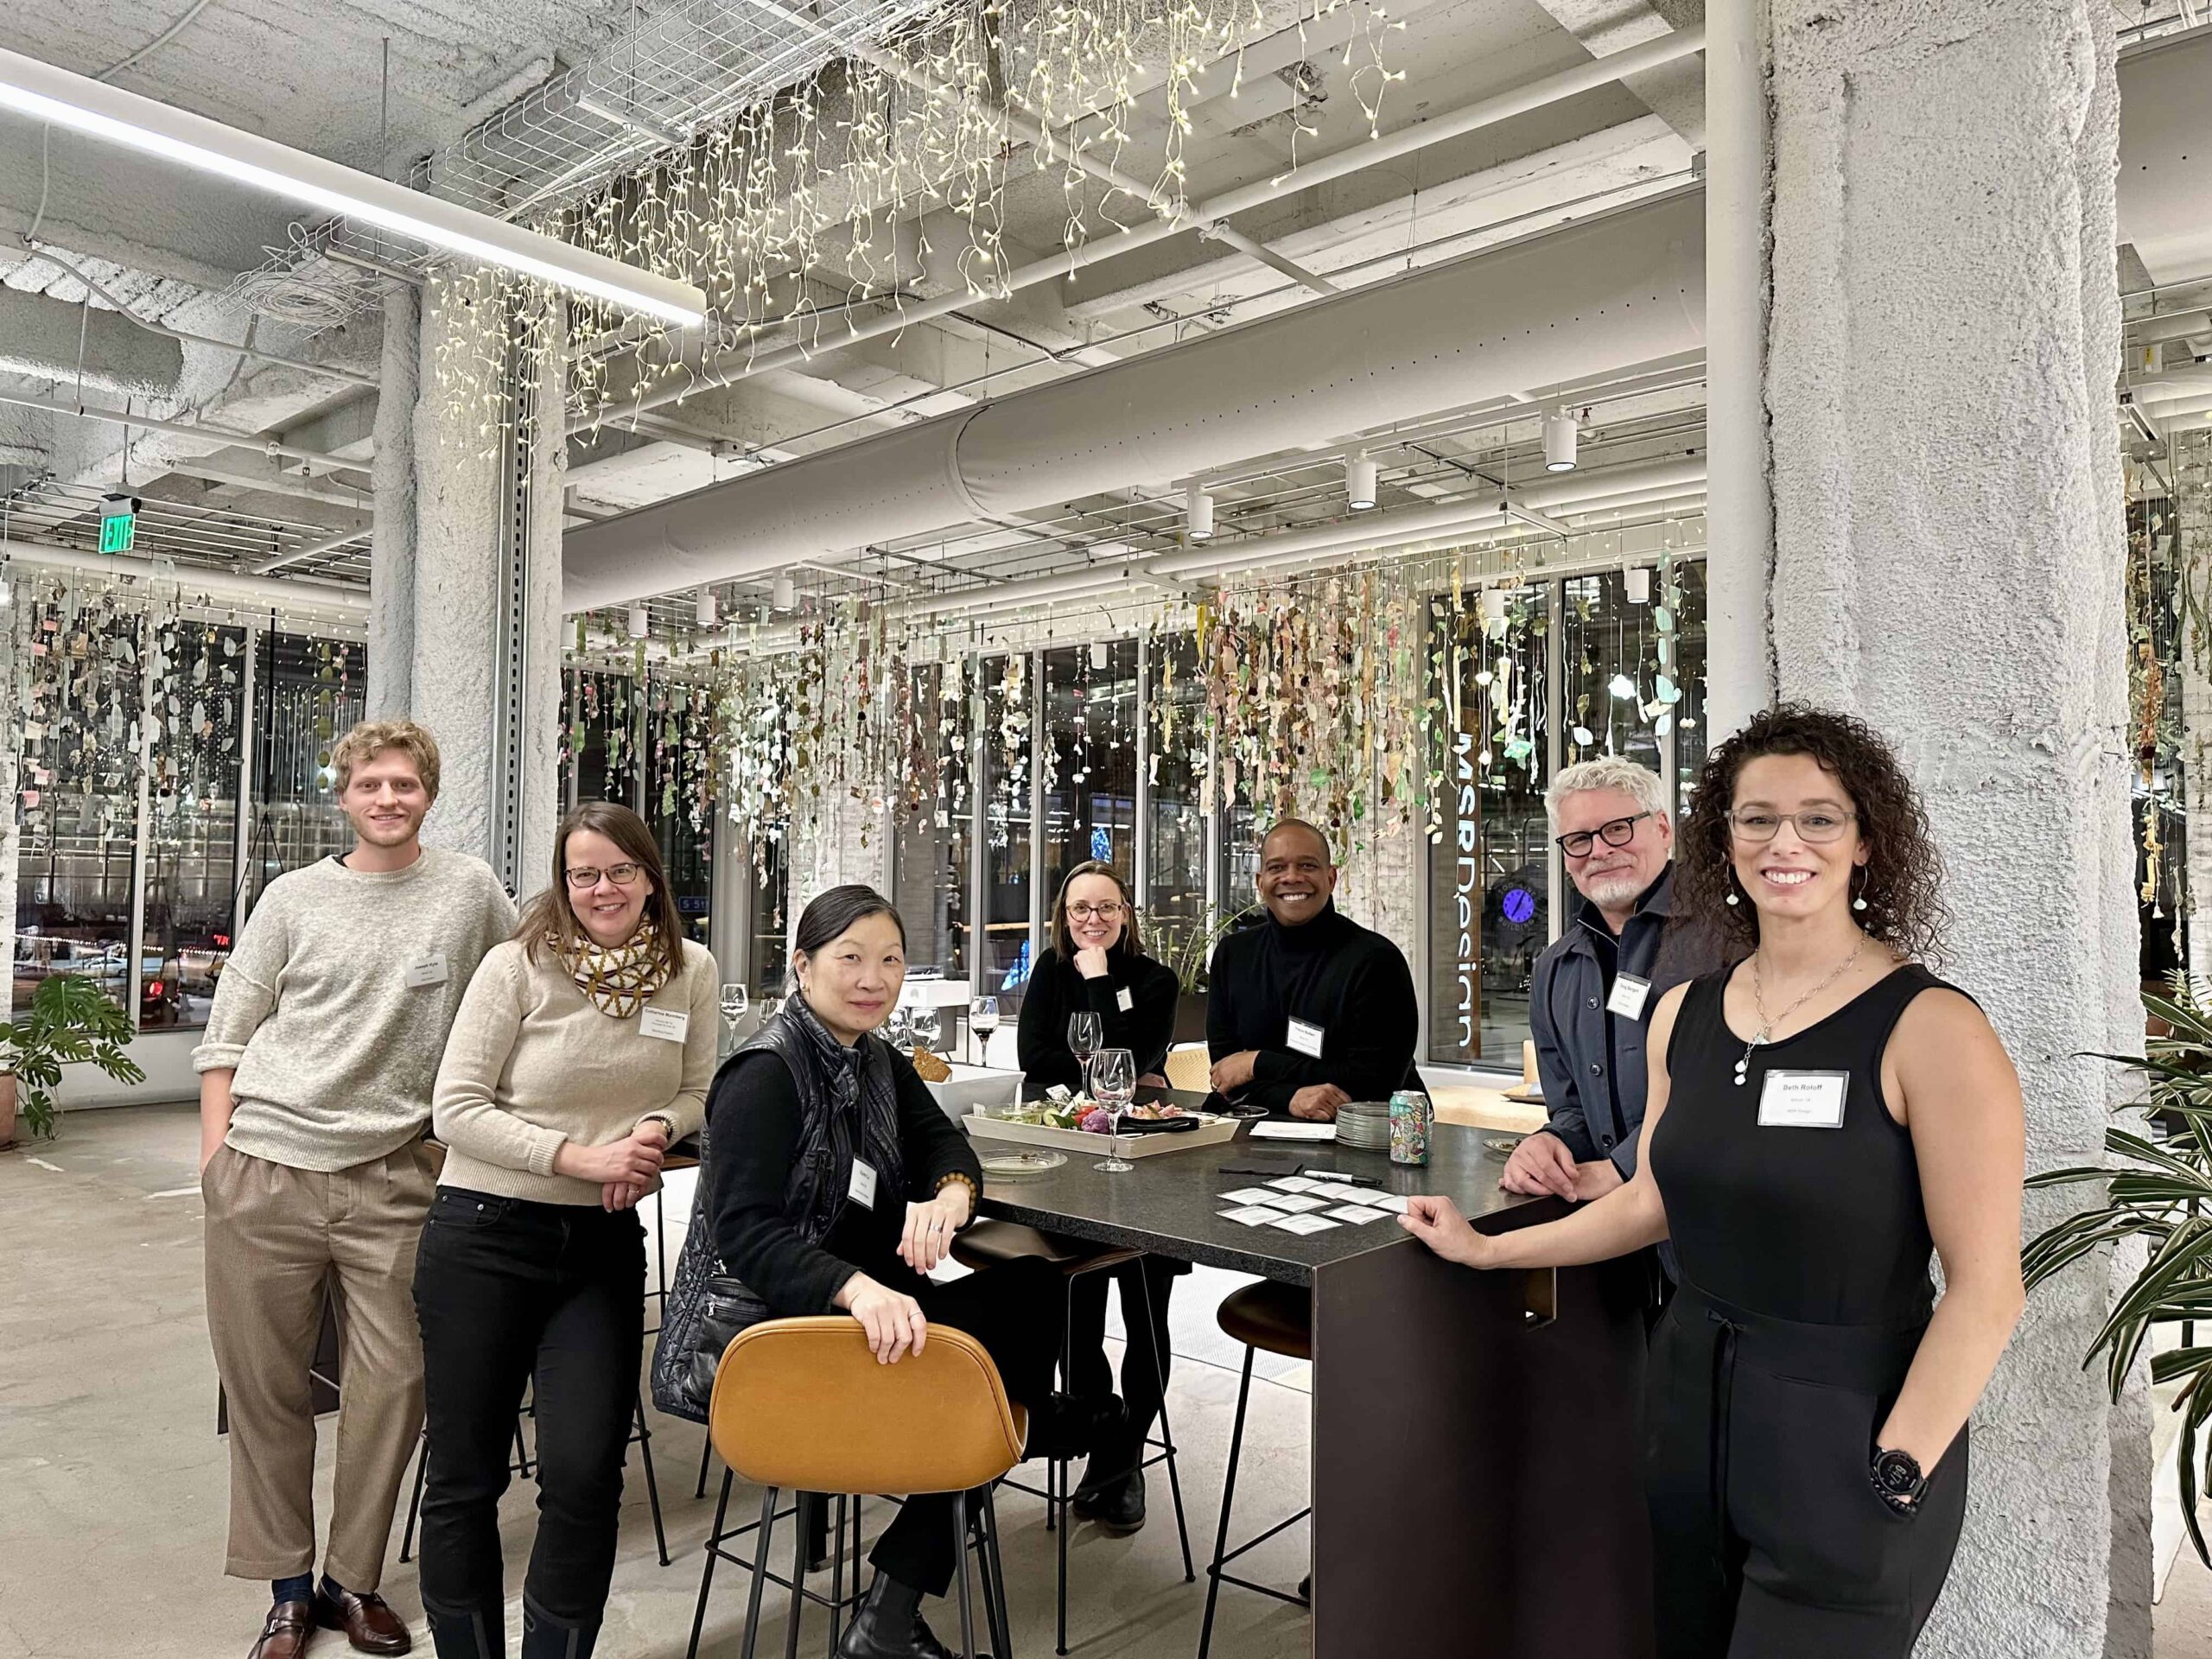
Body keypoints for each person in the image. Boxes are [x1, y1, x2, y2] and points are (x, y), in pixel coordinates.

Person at [1400, 704, 2027, 1657]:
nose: (1786, 842)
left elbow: (1986, 1290)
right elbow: (1651, 1201)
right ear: (1720, 839)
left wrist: (1896, 1472)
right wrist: (1487, 1250)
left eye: (1819, 818)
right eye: (1756, 818)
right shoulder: (1684, 1014)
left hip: (1844, 1434)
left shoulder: (1931, 1028)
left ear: (1865, 843)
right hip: (1686, 1411)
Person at [194, 720, 517, 1659]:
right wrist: (218, 1169)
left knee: (397, 1382)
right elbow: (227, 1034)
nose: (387, 798)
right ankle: (289, 1591)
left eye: (404, 784)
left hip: (397, 1177)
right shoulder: (292, 899)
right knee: (266, 1392)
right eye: (369, 783)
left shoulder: (467, 892)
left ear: (429, 794)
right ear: (341, 795)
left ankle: (353, 1580)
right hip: (266, 1171)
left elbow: (519, 990)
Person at [708, 885, 1097, 1659]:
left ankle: (888, 1608)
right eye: (850, 958)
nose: (872, 979)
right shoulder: (765, 1073)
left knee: (1032, 1288)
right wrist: (853, 1287)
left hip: (886, 1317)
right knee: (993, 1397)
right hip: (790, 1336)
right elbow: (744, 1234)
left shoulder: (878, 1060)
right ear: (803, 967)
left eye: (890, 961)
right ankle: (1040, 1424)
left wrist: (949, 1200)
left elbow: (946, 1145)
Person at [412, 801, 718, 1659]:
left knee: (586, 1476)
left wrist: (656, 1127)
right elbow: (454, 1110)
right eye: (583, 872)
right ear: (563, 880)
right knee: (465, 1479)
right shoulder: (518, 967)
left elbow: (697, 1088)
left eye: (621, 870)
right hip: (482, 1238)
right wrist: (581, 1160)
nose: (602, 888)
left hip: (600, 1251)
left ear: (652, 876)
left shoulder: (687, 971)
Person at [1016, 860, 1183, 1533]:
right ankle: (1101, 1431)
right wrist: (1100, 1053)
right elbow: (1036, 1058)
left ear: (1126, 914)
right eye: (1080, 908)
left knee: (1146, 1310)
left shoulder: (1154, 981)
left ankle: (1127, 1456)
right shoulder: (1049, 972)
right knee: (1077, 1314)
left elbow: (1132, 1061)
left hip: (1147, 1171)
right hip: (1072, 1166)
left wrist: (1101, 982)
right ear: (1063, 915)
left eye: (1106, 908)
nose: (1092, 920)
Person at [1503, 756, 1702, 1206]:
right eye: (1578, 839)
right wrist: (1551, 1143)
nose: (1598, 850)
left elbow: (1724, 1091)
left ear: (1664, 829)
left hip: (1709, 1227)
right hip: (1606, 1233)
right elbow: (1570, 1105)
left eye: (1617, 829)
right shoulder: (1555, 968)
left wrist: (1621, 1168)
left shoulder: (1726, 941)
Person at [1206, 818, 1419, 1119]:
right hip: (1255, 1140)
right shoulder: (1233, 956)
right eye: (1277, 867)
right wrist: (1289, 1098)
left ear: (1331, 878)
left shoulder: (1376, 961)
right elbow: (1226, 1076)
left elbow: (1374, 1082)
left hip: (1367, 1138)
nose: (1291, 877)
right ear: (1260, 882)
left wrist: (1257, 1063)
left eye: (1307, 866)